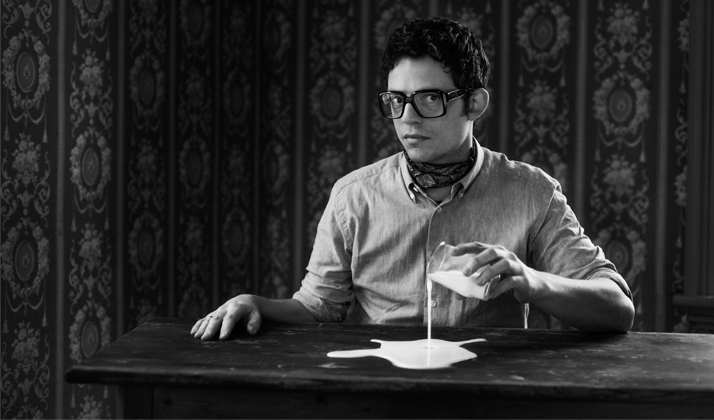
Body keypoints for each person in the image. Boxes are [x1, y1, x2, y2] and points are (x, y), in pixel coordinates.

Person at [191, 17, 634, 341]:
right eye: (396, 100)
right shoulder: (353, 197)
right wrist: (255, 304)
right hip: (380, 395)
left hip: (486, 395)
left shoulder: (531, 192)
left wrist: (532, 281)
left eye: (429, 99)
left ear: (474, 104)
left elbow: (618, 308)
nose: (407, 118)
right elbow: (319, 307)